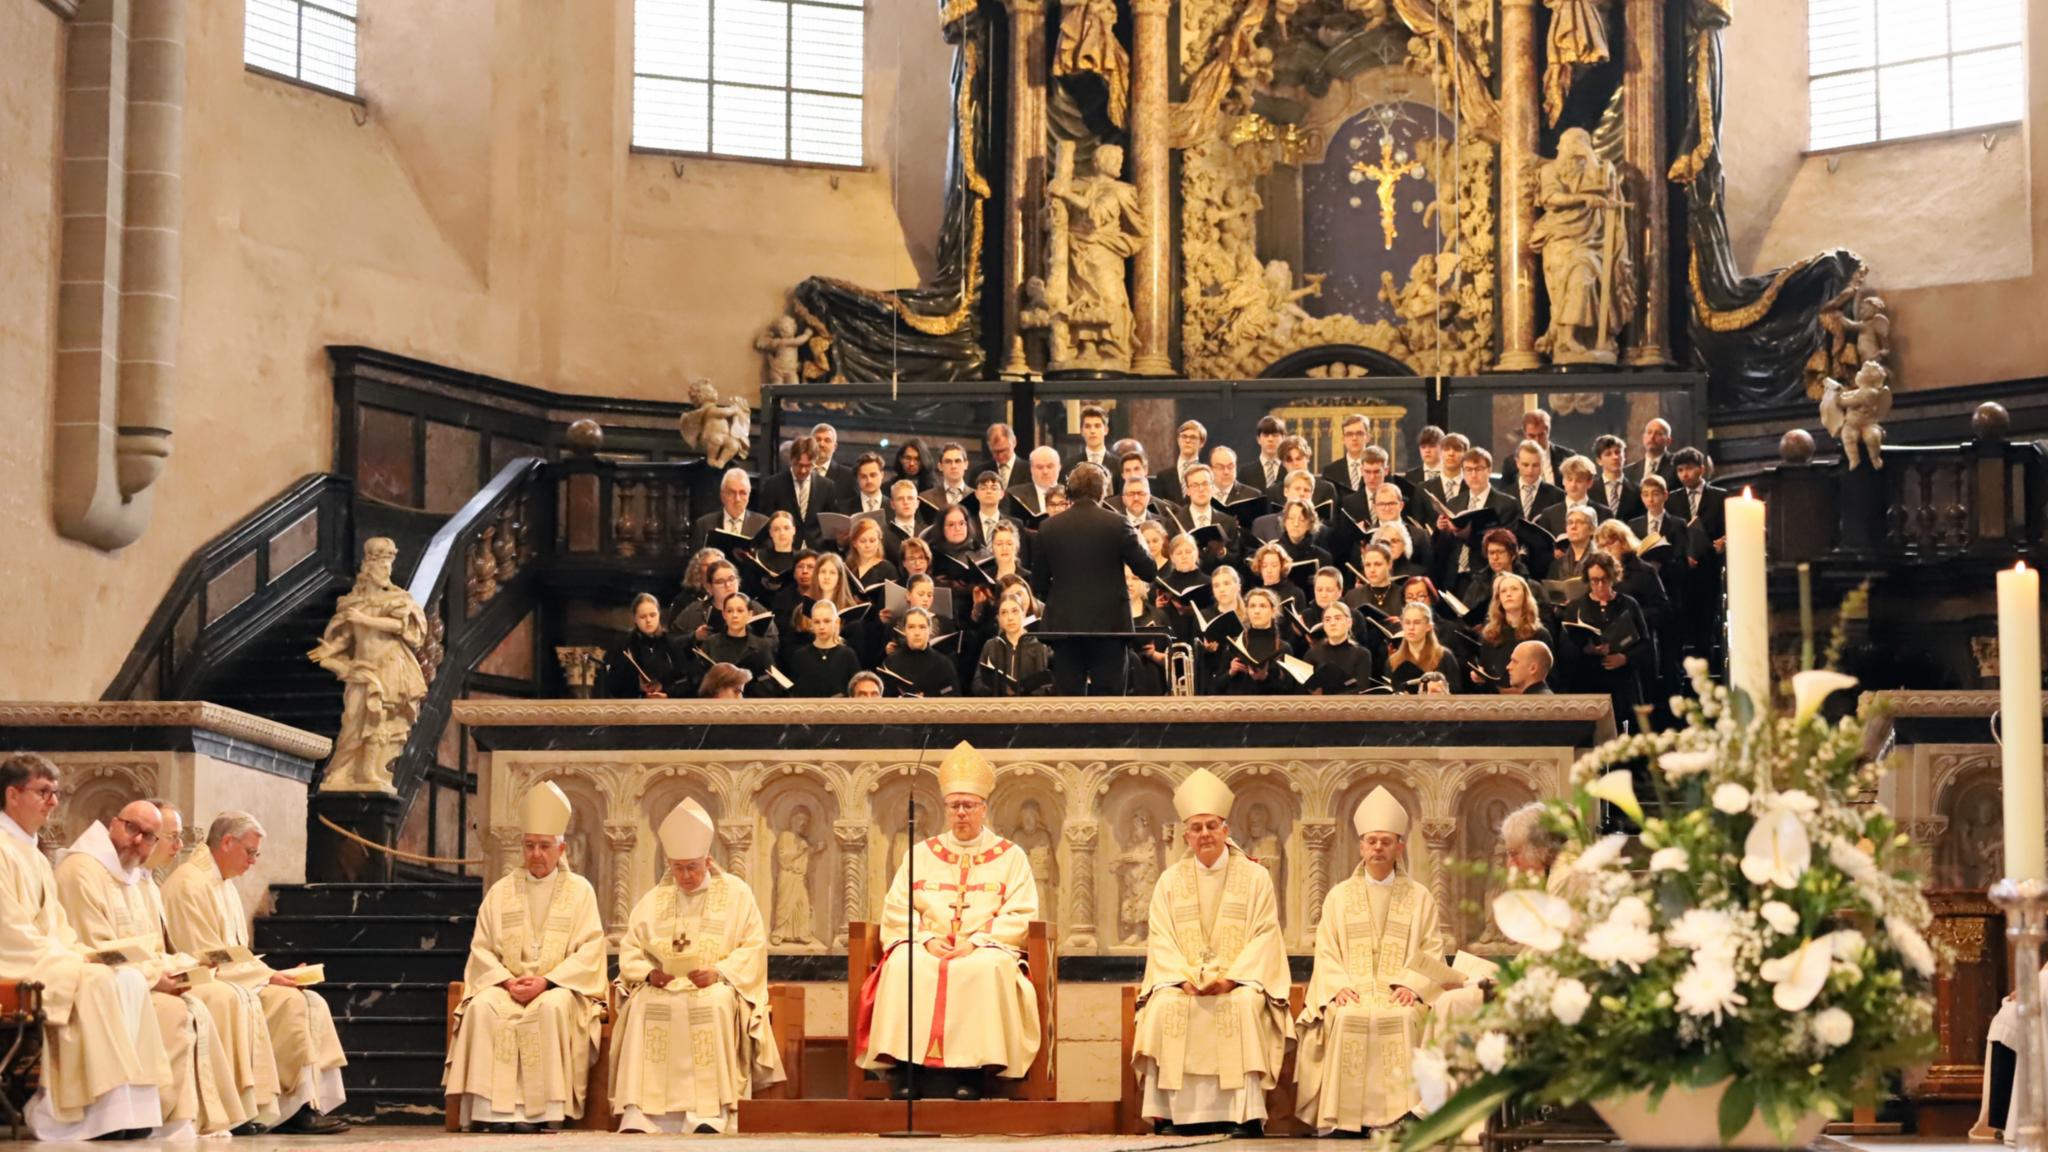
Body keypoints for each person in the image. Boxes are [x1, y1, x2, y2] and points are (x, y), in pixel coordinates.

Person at [0, 755, 176, 1141]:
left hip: (43, 956)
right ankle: (76, 1112)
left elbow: (57, 925)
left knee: (126, 978)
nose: (52, 801)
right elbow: (9, 930)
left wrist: (74, 951)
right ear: (12, 794)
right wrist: (69, 957)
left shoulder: (32, 851)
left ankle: (129, 1106)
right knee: (96, 981)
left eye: (55, 793)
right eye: (42, 792)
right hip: (13, 963)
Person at [856, 742, 1041, 1101]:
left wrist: (977, 941)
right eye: (954, 806)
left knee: (983, 969)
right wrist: (924, 939)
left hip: (985, 946)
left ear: (983, 808)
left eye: (968, 806)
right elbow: (897, 908)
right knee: (905, 965)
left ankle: (969, 1074)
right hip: (928, 944)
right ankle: (908, 1073)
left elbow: (1021, 912)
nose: (960, 813)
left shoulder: (1011, 856)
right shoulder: (921, 853)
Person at [54, 800, 248, 1138]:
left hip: (132, 978)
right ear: (114, 822)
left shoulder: (132, 876)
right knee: (178, 1011)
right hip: (96, 980)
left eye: (149, 837)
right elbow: (94, 949)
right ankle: (152, 1114)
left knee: (194, 1003)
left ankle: (167, 1113)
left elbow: (151, 948)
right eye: (133, 829)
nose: (137, 841)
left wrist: (185, 967)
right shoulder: (82, 870)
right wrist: (154, 977)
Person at [163, 810, 349, 1134]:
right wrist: (266, 977)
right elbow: (202, 956)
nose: (253, 861)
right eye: (250, 852)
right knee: (289, 1004)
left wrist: (277, 972)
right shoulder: (188, 884)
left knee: (311, 1001)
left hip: (237, 978)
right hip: (208, 982)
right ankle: (265, 1109)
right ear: (226, 842)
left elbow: (238, 953)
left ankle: (302, 1103)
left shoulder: (226, 886)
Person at [1133, 770, 1293, 1137]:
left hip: (1237, 981)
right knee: (1164, 1006)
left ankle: (1245, 1115)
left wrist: (1230, 979)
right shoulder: (1170, 880)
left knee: (1244, 1006)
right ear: (1187, 836)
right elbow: (1161, 938)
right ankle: (1171, 1115)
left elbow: (1265, 934)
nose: (1204, 834)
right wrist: (1183, 978)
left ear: (1225, 829)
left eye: (1211, 826)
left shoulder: (1255, 878)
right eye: (1196, 828)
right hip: (1184, 980)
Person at [612, 800, 784, 1133]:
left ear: (707, 860)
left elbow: (753, 946)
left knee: (716, 1002)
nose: (686, 876)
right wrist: (649, 974)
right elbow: (631, 947)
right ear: (668, 864)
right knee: (643, 1004)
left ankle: (708, 1113)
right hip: (663, 986)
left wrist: (719, 973)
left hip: (714, 986)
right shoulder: (654, 900)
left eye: (692, 867)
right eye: (678, 868)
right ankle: (642, 1114)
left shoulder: (737, 894)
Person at [445, 782, 607, 1132]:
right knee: (483, 1007)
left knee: (551, 1009)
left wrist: (546, 981)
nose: (536, 854)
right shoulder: (502, 891)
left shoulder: (580, 891)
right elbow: (482, 948)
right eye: (530, 845)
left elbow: (591, 950)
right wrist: (504, 980)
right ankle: (491, 1112)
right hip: (507, 985)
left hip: (557, 988)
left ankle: (541, 1114)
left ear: (561, 848)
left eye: (544, 846)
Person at [1294, 787, 1448, 1137]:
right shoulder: (1339, 896)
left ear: (1399, 847)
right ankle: (1345, 1122)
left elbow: (1432, 948)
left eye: (1385, 841)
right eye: (1371, 841)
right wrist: (1337, 988)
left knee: (1407, 1018)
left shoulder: (1420, 897)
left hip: (1400, 994)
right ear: (1361, 847)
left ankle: (1405, 1121)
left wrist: (1413, 985)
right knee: (1347, 1016)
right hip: (1355, 991)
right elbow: (1327, 949)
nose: (1378, 847)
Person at [1032, 462, 1158, 695]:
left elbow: (1038, 585)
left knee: (1069, 705)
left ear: (1069, 492)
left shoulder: (1048, 527)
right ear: (1102, 492)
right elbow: (1148, 570)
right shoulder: (1118, 523)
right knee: (1108, 704)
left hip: (1065, 629)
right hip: (1110, 628)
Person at [1558, 553, 1651, 720]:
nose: (1600, 585)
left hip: (1621, 683)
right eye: (1594, 580)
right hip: (1588, 680)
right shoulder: (1576, 606)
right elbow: (1565, 647)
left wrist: (1625, 658)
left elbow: (1645, 644)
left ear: (1613, 577)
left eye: (1605, 579)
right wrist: (1586, 649)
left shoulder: (1629, 604)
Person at [1432, 446, 1519, 580]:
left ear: (1489, 470)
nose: (1473, 475)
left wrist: (1467, 535)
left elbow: (1505, 544)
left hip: (1485, 574)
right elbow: (1443, 546)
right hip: (1453, 575)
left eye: (1478, 469)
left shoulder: (1506, 504)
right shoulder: (1454, 502)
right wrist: (1441, 529)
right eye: (1468, 470)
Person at [604, 593, 692, 699]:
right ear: (634, 619)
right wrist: (637, 687)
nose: (648, 620)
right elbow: (612, 684)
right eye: (642, 617)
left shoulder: (671, 643)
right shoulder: (624, 645)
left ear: (659, 615)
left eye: (653, 615)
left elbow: (687, 682)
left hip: (667, 706)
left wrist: (666, 691)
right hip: (634, 707)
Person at [1475, 572, 1552, 691]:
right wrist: (1479, 677)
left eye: (1514, 589)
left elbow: (1549, 678)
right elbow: (1486, 673)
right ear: (1498, 599)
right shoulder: (1489, 635)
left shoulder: (1539, 634)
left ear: (1525, 596)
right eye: (1503, 591)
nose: (1508, 594)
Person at [754, 435, 837, 545]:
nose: (803, 470)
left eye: (808, 466)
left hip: (815, 552)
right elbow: (765, 524)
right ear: (791, 459)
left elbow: (829, 527)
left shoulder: (827, 486)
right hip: (782, 550)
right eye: (799, 465)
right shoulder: (773, 485)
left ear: (815, 462)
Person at [975, 591, 1051, 696]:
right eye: (1004, 613)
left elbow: (1044, 687)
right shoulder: (991, 645)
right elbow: (977, 684)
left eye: (1015, 611)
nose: (1010, 618)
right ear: (999, 618)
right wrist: (996, 688)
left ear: (1024, 613)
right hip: (998, 706)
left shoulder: (1038, 645)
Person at [785, 600, 862, 697]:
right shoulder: (800, 656)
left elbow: (856, 691)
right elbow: (797, 694)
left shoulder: (848, 655)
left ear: (837, 622)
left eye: (827, 621)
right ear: (812, 624)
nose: (822, 627)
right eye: (817, 622)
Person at [881, 608, 962, 697]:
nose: (917, 633)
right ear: (904, 631)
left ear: (930, 630)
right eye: (911, 627)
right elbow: (882, 698)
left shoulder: (943, 664)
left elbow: (953, 700)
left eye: (922, 627)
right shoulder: (890, 663)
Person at [1386, 601, 1460, 694]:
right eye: (1407, 622)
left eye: (1417, 623)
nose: (1411, 627)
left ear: (1428, 627)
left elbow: (1456, 694)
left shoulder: (1444, 656)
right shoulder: (1393, 661)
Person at [690, 468, 770, 553]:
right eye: (731, 493)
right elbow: (696, 563)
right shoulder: (703, 525)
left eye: (742, 493)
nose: (737, 499)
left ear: (748, 496)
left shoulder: (763, 524)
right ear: (722, 496)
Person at [1307, 602, 1377, 694]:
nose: (1332, 623)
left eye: (1337, 618)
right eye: (1327, 620)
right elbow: (1303, 690)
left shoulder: (1362, 654)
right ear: (1323, 625)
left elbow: (1361, 689)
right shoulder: (1312, 654)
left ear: (1349, 623)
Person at [1591, 434, 1643, 520]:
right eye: (1608, 454)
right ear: (1599, 461)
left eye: (1618, 452)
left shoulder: (1638, 490)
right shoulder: (1590, 490)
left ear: (1624, 456)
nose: (1615, 457)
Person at [1010, 446, 1063, 520]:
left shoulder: (1072, 495)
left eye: (1050, 466)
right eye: (1040, 467)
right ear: (1031, 469)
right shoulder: (1014, 496)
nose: (1045, 471)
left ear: (1059, 467)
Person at [833, 451, 891, 517]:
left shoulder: (895, 506)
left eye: (873, 475)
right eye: (863, 476)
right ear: (857, 478)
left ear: (882, 475)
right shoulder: (843, 508)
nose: (869, 480)